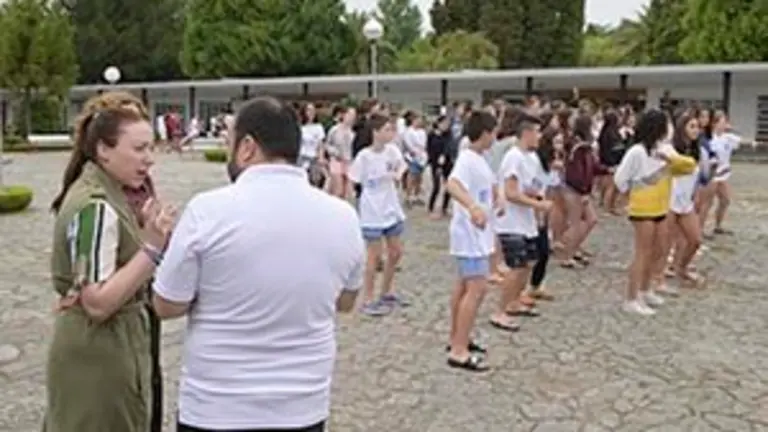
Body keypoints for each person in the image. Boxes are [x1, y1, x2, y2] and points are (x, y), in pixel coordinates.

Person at [152, 96, 364, 432]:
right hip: (302, 407)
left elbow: (166, 304)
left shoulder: (207, 211)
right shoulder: (344, 217)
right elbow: (346, 301)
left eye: (230, 138)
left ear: (247, 147)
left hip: (216, 406)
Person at [45, 91, 176, 432]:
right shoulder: (96, 205)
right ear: (103, 149)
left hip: (109, 346)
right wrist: (152, 248)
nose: (149, 160)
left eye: (151, 148)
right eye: (139, 149)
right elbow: (98, 302)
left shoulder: (105, 193)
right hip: (102, 351)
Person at [613, 109, 697, 315]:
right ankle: (631, 298)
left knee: (658, 250)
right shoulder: (637, 152)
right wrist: (635, 189)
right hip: (643, 208)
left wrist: (669, 161)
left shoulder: (664, 150)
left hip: (661, 205)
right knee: (643, 252)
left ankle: (645, 288)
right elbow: (620, 179)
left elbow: (689, 166)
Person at [444, 110, 499, 372]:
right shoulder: (466, 158)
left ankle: (458, 336)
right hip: (469, 233)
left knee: (465, 286)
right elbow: (453, 185)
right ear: (485, 133)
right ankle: (459, 350)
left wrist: (496, 199)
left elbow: (488, 184)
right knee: (476, 288)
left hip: (478, 233)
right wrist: (473, 207)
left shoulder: (479, 158)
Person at [491, 113, 552, 332]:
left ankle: (515, 300)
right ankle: (500, 310)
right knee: (516, 266)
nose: (540, 136)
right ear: (526, 133)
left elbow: (526, 187)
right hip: (511, 221)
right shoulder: (513, 157)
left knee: (529, 263)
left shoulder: (532, 158)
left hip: (527, 222)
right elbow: (511, 193)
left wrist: (536, 196)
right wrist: (538, 206)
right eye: (537, 132)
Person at [347, 114, 410, 316]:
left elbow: (402, 165)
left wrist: (398, 174)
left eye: (391, 129)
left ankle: (387, 291)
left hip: (391, 207)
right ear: (375, 132)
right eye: (386, 130)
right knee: (374, 256)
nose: (390, 133)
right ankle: (367, 298)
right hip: (372, 210)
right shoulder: (364, 156)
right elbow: (353, 179)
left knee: (396, 251)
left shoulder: (392, 151)